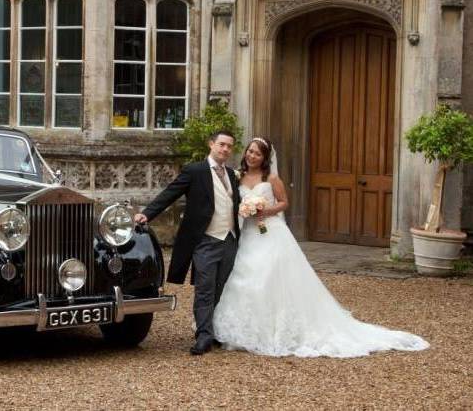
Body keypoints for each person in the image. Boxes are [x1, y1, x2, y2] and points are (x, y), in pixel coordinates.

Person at [213, 137, 430, 357]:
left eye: (257, 154)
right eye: (250, 151)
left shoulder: (272, 178)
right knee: (244, 277)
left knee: (269, 277)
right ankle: (243, 331)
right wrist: (245, 210)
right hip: (249, 235)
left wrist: (265, 211)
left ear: (265, 158)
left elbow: (284, 202)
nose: (251, 156)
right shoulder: (237, 176)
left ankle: (275, 332)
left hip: (270, 233)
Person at [134, 130, 241, 355]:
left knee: (221, 288)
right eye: (221, 144)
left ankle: (213, 329)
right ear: (211, 144)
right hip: (205, 241)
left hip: (229, 240)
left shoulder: (232, 175)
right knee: (204, 288)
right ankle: (203, 335)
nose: (225, 149)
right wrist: (147, 213)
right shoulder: (195, 170)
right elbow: (171, 192)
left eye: (229, 146)